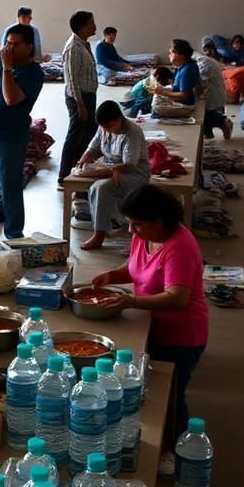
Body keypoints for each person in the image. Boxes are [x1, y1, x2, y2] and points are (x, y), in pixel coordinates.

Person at [91, 184, 208, 436]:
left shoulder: (180, 247)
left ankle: (176, 447)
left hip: (181, 336)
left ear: (160, 219)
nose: (132, 230)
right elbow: (136, 268)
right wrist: (111, 276)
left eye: (137, 224)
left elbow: (178, 297)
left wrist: (131, 302)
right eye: (129, 224)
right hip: (150, 325)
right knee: (147, 389)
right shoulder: (143, 236)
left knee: (170, 397)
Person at [0, 23, 43, 241]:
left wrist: (7, 68)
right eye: (7, 43)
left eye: (15, 45)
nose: (8, 49)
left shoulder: (33, 73)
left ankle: (13, 237)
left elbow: (10, 99)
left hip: (9, 141)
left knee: (10, 192)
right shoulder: (0, 62)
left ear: (30, 46)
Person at [74, 100, 150, 250]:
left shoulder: (132, 131)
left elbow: (130, 164)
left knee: (101, 188)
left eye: (109, 126)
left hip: (134, 174)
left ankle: (99, 234)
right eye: (103, 127)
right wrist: (83, 161)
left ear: (118, 120)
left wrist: (99, 172)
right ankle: (103, 223)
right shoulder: (104, 128)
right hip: (111, 169)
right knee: (94, 185)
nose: (106, 130)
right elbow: (94, 148)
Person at [60, 10, 99, 185]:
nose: (95, 25)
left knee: (89, 134)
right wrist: (80, 104)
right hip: (79, 99)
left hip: (88, 96)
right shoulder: (73, 47)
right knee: (75, 136)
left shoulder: (84, 44)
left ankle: (79, 170)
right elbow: (72, 79)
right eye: (91, 22)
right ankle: (64, 177)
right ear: (82, 27)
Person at [149, 39, 200, 119]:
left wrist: (162, 92)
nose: (169, 56)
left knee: (156, 104)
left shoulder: (188, 69)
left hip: (186, 106)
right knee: (157, 95)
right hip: (183, 99)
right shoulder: (183, 66)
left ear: (180, 56)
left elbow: (184, 95)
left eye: (171, 53)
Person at [198, 41, 233, 139]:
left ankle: (223, 121)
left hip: (213, 96)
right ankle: (214, 129)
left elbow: (199, 81)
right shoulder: (206, 61)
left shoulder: (207, 63)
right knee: (205, 116)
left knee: (202, 113)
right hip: (214, 94)